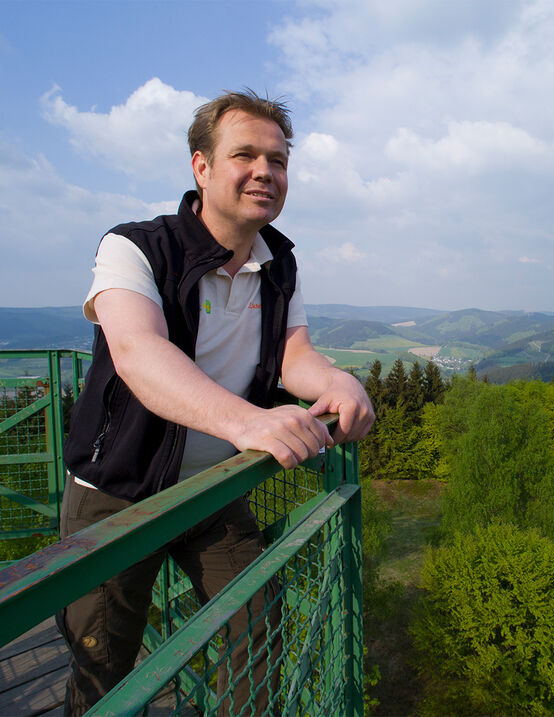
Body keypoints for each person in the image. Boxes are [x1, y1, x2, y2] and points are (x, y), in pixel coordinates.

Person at [57, 89, 375, 714]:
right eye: (245, 155)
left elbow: (293, 355)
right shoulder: (134, 248)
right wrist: (251, 422)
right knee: (102, 661)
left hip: (212, 487)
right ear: (200, 167)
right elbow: (139, 353)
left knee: (258, 622)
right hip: (116, 494)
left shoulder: (279, 262)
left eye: (278, 160)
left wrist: (338, 381)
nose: (265, 171)